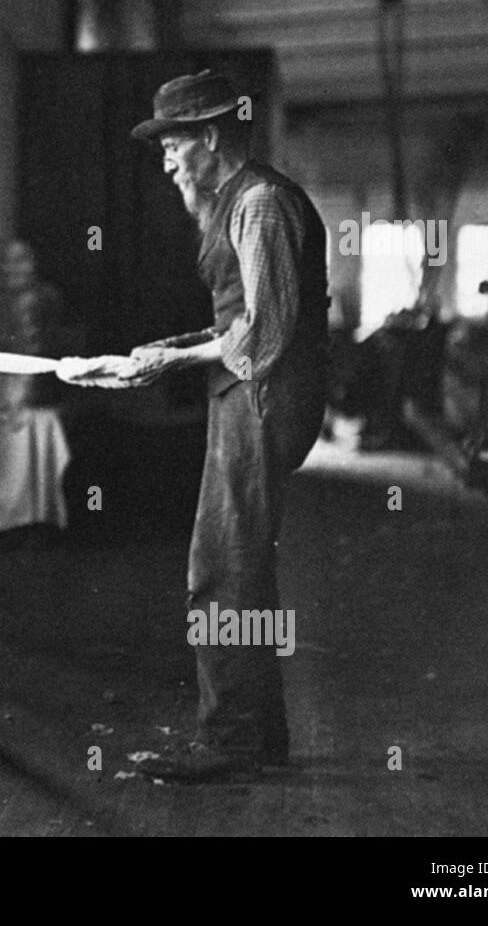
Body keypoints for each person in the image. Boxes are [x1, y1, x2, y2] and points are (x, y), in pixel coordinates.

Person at [123, 70, 330, 782]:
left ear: (210, 137)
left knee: (224, 568)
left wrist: (182, 360)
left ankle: (233, 742)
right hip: (247, 390)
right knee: (240, 564)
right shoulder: (235, 202)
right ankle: (258, 736)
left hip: (265, 394)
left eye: (173, 145)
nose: (167, 161)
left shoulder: (262, 203)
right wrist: (171, 352)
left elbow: (265, 331)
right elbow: (238, 318)